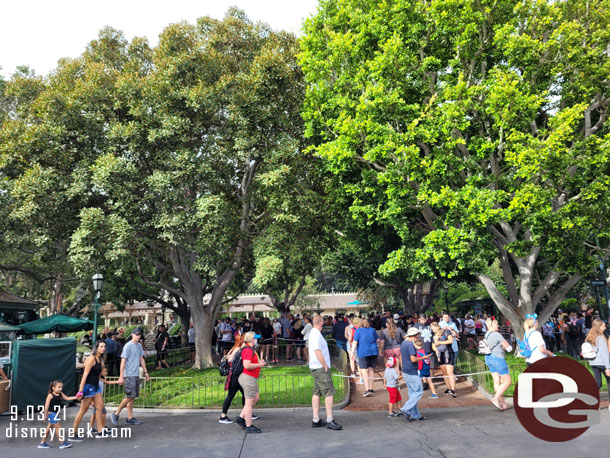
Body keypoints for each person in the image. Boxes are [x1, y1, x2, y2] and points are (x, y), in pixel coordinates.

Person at [308, 315, 342, 430]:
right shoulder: (316, 334)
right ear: (321, 323)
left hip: (316, 367)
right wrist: (325, 365)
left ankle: (316, 419)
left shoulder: (313, 333)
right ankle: (329, 419)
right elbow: (317, 351)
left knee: (317, 391)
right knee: (329, 391)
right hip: (320, 368)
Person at [69, 340, 107, 441]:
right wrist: (80, 391)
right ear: (97, 348)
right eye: (101, 346)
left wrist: (101, 378)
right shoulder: (91, 359)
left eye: (104, 347)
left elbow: (96, 373)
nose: (103, 348)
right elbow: (85, 375)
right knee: (83, 410)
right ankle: (73, 434)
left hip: (96, 386)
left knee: (100, 407)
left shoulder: (99, 359)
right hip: (88, 386)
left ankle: (100, 431)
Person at [111, 328, 150, 426]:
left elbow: (141, 359)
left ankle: (130, 417)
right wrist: (121, 376)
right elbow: (123, 362)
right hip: (129, 374)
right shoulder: (127, 346)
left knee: (132, 397)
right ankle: (116, 413)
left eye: (139, 334)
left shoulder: (139, 346)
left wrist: (146, 372)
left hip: (136, 373)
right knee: (130, 396)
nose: (138, 336)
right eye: (137, 334)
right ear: (132, 335)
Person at [235, 331, 266, 433]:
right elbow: (247, 365)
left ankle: (241, 417)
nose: (256, 340)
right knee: (249, 402)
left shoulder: (250, 349)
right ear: (252, 340)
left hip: (251, 377)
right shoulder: (248, 349)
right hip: (248, 377)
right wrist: (259, 365)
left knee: (255, 398)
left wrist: (258, 363)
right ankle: (249, 425)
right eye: (255, 338)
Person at [400, 327, 432, 421]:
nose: (418, 336)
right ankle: (405, 409)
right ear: (413, 336)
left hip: (406, 370)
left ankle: (415, 415)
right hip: (412, 371)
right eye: (417, 335)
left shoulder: (403, 343)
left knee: (412, 393)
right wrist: (424, 357)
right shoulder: (410, 345)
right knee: (418, 391)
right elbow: (413, 359)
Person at [38, 380, 79, 449]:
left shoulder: (60, 394)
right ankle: (62, 443)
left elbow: (67, 398)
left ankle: (42, 443)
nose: (60, 388)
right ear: (53, 388)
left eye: (61, 387)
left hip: (56, 414)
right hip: (51, 414)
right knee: (58, 428)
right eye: (58, 387)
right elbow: (46, 406)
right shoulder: (50, 395)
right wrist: (45, 415)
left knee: (48, 429)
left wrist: (76, 397)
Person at [483, 318, 513, 410]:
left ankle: (502, 402)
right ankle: (495, 399)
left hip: (488, 358)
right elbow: (508, 348)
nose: (498, 326)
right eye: (496, 324)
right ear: (492, 326)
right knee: (507, 381)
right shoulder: (497, 334)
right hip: (498, 359)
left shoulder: (486, 334)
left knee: (497, 381)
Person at [219, 334, 248, 424]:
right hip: (236, 375)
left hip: (233, 375)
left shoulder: (233, 348)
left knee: (244, 394)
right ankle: (223, 416)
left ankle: (246, 412)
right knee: (233, 395)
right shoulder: (238, 349)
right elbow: (230, 359)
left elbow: (227, 358)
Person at [584, 319, 610, 408]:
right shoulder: (601, 338)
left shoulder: (589, 337)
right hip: (602, 362)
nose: (605, 328)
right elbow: (604, 353)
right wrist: (608, 367)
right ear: (599, 327)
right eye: (603, 326)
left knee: (598, 383)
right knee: (609, 382)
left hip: (593, 362)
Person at [352, 319, 380, 397]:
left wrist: (351, 352)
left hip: (362, 352)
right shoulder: (372, 330)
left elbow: (355, 342)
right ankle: (371, 388)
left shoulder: (358, 331)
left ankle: (367, 389)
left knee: (364, 371)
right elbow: (378, 339)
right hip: (373, 351)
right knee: (371, 369)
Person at [88, 365, 119, 434]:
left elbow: (108, 382)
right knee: (103, 412)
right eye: (105, 371)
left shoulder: (101, 379)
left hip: (99, 399)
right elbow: (92, 391)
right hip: (96, 400)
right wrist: (92, 401)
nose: (106, 373)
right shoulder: (96, 381)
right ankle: (102, 427)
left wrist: (117, 381)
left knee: (94, 414)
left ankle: (91, 428)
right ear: (100, 372)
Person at [432, 322, 457, 398]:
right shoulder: (434, 336)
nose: (433, 331)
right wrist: (436, 350)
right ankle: (449, 388)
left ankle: (453, 390)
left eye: (433, 329)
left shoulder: (446, 332)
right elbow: (433, 345)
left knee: (450, 372)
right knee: (444, 372)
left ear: (437, 327)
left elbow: (450, 340)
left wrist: (440, 342)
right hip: (440, 354)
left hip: (448, 352)